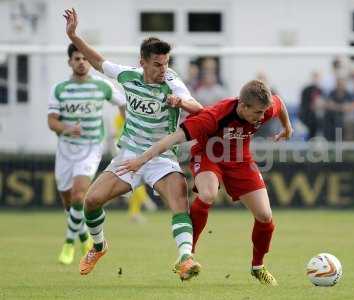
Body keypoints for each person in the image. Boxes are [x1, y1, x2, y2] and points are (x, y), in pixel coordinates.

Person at [64, 8, 203, 280]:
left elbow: (197, 108)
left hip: (161, 158)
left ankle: (186, 258)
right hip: (129, 155)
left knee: (179, 200)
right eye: (157, 64)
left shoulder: (173, 82)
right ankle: (100, 245)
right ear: (143, 62)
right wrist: (73, 35)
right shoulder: (128, 76)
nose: (163, 69)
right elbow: (97, 60)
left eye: (166, 63)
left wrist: (180, 102)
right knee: (91, 201)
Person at [116, 80, 293, 286]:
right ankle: (187, 256)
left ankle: (258, 266)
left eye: (264, 112)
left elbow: (279, 104)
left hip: (240, 159)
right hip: (209, 156)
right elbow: (172, 139)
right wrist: (141, 160)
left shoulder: (265, 106)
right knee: (208, 194)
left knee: (265, 216)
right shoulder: (214, 117)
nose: (262, 117)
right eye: (258, 113)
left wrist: (287, 127)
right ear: (243, 106)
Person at [48, 43, 126, 265]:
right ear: (70, 62)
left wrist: (126, 129)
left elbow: (123, 104)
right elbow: (51, 121)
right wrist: (67, 128)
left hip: (91, 148)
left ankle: (68, 244)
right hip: (65, 150)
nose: (81, 62)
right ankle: (84, 238)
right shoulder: (59, 89)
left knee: (79, 197)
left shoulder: (101, 86)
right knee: (68, 202)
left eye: (84, 58)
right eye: (77, 59)